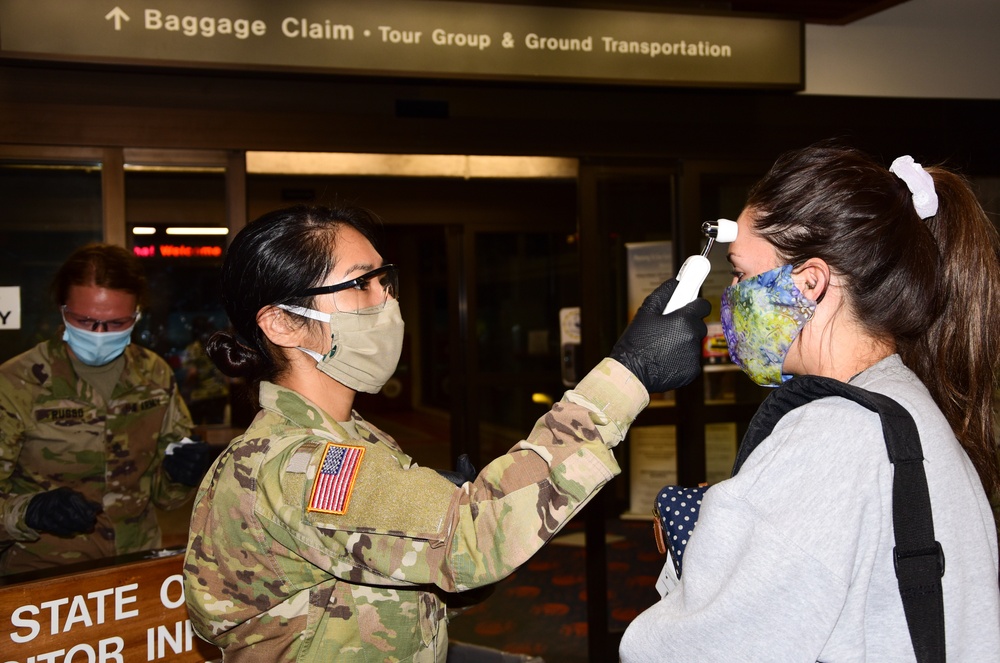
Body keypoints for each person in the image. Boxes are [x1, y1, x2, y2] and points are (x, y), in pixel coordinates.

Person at [182, 203, 711, 662]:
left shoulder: (354, 439)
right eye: (360, 284)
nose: (386, 301)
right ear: (282, 324)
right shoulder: (298, 462)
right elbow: (471, 539)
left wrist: (447, 577)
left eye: (384, 280)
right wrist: (628, 373)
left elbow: (394, 585)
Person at [619, 142, 1000, 661]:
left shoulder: (828, 439)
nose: (729, 297)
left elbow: (679, 652)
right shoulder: (907, 406)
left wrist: (703, 551)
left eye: (741, 274)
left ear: (810, 284)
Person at [0, 244, 211, 574]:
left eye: (116, 323)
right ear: (62, 309)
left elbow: (165, 498)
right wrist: (29, 511)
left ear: (136, 316)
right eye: (85, 320)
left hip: (136, 565)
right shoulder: (15, 383)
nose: (99, 335)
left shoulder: (152, 374)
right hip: (44, 574)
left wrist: (179, 475)